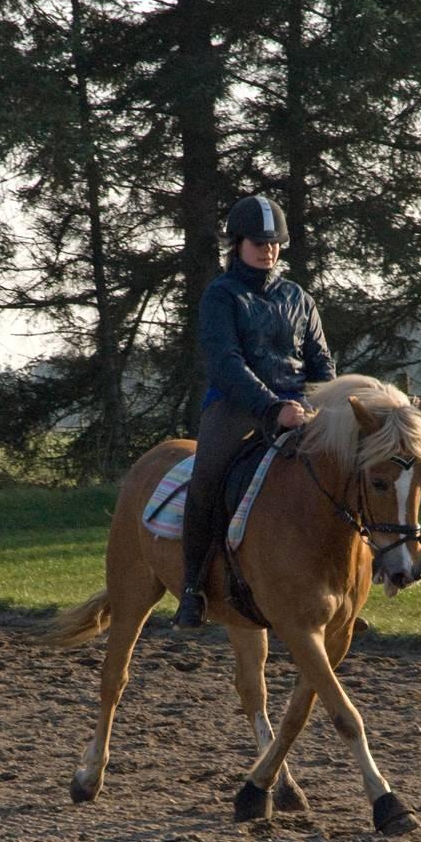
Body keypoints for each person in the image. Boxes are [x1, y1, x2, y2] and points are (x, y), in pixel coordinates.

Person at [173, 193, 336, 629]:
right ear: (238, 244)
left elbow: (322, 362)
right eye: (258, 242)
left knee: (347, 471)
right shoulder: (220, 295)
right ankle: (192, 588)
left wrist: (312, 403)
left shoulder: (299, 297)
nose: (268, 250)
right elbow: (226, 363)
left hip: (300, 409)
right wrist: (271, 407)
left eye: (274, 243)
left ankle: (345, 583)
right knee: (207, 479)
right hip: (237, 408)